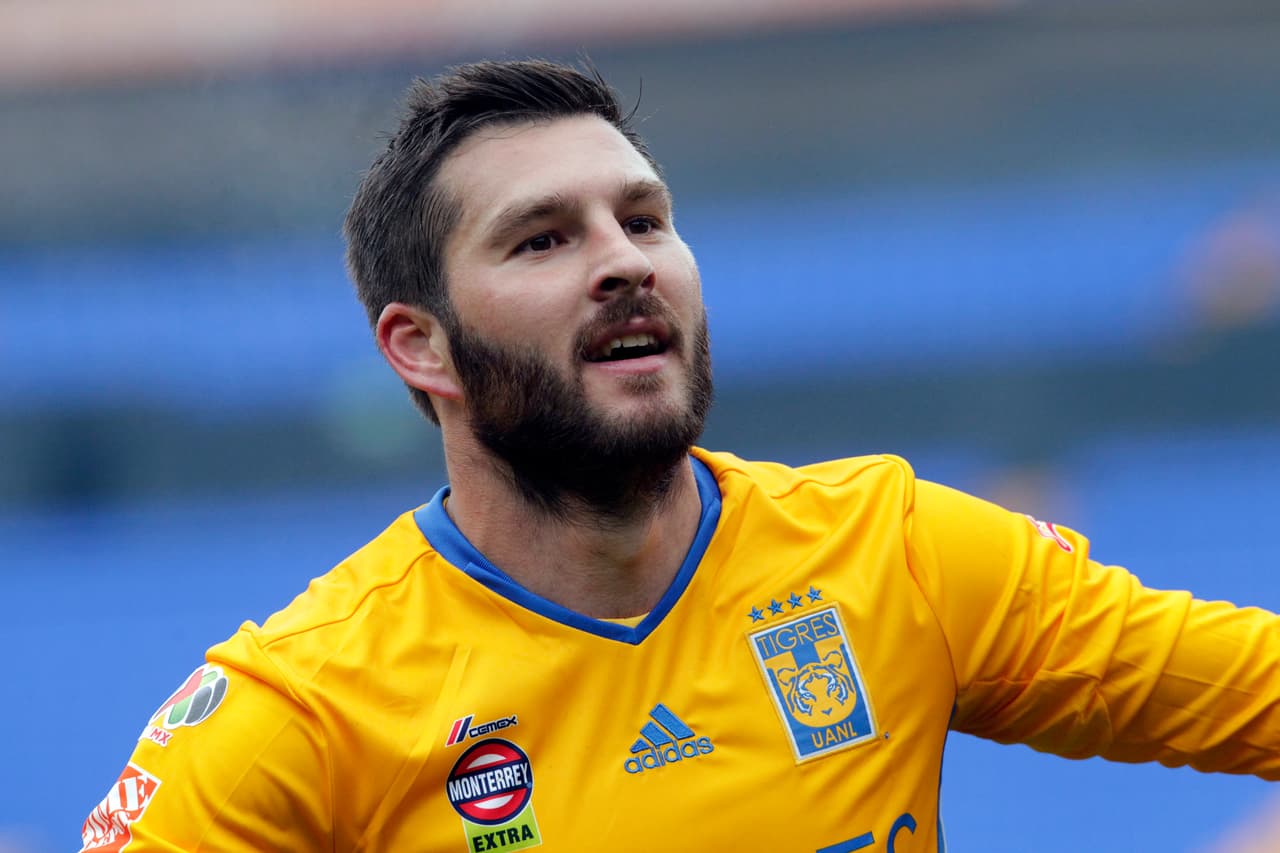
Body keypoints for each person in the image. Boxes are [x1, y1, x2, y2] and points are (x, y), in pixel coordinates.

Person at [80, 59, 1280, 853]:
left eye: (643, 219)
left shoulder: (894, 551)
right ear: (420, 347)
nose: (623, 261)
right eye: (541, 239)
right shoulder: (303, 708)